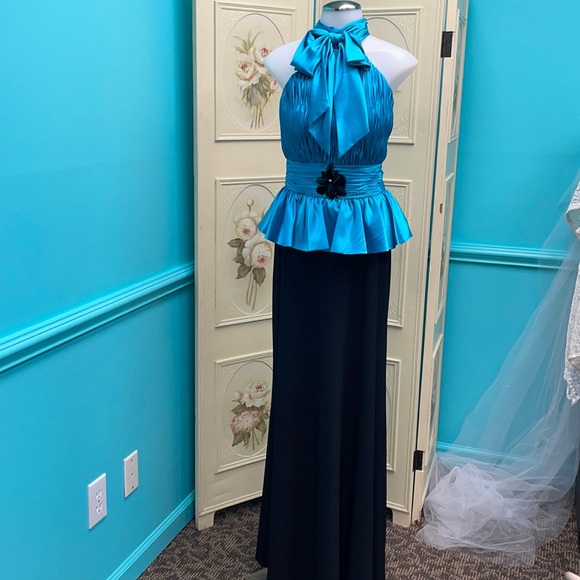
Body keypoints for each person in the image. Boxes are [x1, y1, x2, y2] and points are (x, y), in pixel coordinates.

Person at [249, 3, 417, 579]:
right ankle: (298, 549)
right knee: (301, 380)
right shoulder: (284, 58)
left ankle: (348, 551)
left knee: (355, 379)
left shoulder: (394, 58)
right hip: (300, 241)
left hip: (363, 243)